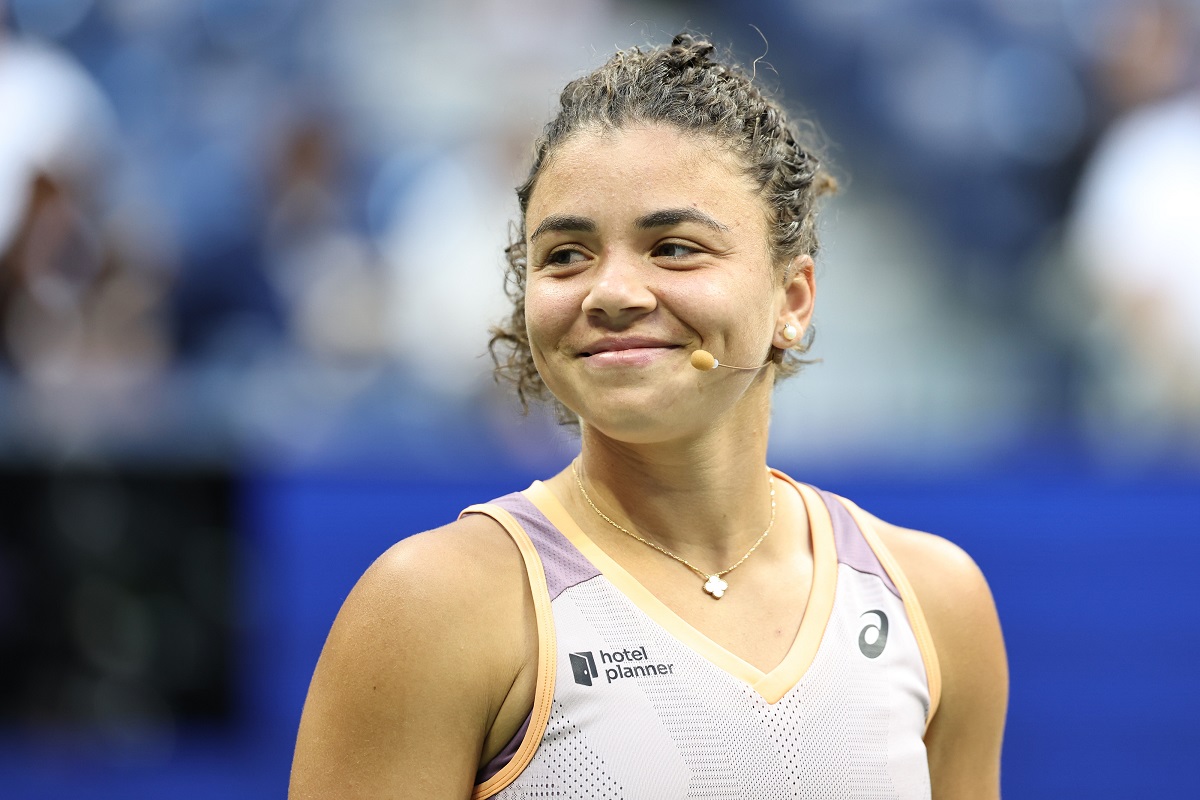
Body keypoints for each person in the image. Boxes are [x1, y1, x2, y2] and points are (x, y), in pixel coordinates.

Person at [289, 33, 1007, 799]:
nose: (612, 293)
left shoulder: (933, 600)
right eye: (566, 255)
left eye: (673, 247)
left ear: (792, 300)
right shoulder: (430, 605)